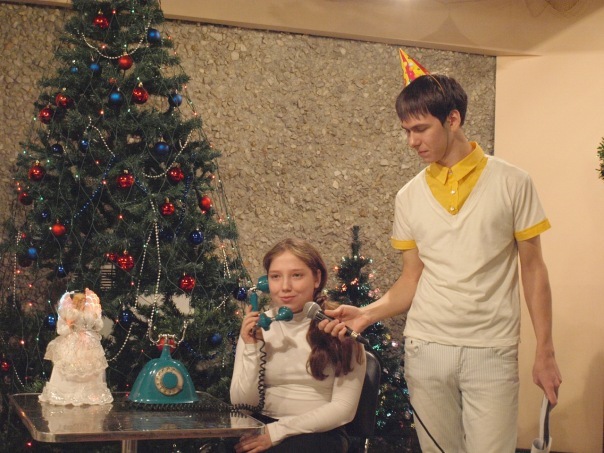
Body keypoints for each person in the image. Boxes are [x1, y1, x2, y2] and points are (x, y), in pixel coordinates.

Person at [320, 74, 562, 452]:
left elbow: (533, 269)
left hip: (492, 348)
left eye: (421, 129)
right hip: (426, 349)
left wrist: (545, 350)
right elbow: (411, 279)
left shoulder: (513, 182)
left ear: (453, 119)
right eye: (406, 131)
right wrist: (366, 314)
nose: (412, 141)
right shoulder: (409, 196)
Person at [230, 238, 366, 453]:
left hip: (319, 432)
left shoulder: (339, 327)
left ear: (316, 278)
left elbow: (343, 409)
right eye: (276, 277)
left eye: (296, 275)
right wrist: (251, 348)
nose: (285, 287)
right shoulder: (259, 325)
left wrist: (277, 432)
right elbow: (242, 405)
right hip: (263, 426)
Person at [40, 288, 113, 406]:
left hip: (89, 342)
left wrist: (95, 318)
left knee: (92, 365)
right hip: (72, 341)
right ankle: (66, 393)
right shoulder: (69, 313)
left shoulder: (89, 313)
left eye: (85, 301)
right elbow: (61, 330)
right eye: (81, 301)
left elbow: (98, 326)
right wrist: (69, 324)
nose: (83, 303)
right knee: (68, 364)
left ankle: (91, 393)